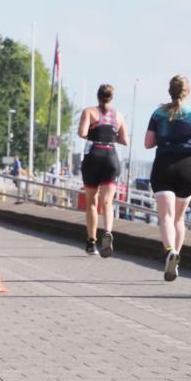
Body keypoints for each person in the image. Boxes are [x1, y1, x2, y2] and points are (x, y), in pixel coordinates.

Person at [144, 75, 191, 281]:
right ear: (187, 92)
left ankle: (170, 251)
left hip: (163, 164)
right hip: (186, 166)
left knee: (166, 217)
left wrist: (165, 137)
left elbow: (148, 143)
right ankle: (176, 259)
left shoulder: (158, 113)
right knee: (179, 218)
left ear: (169, 91)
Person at [78, 84, 129, 257]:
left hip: (94, 155)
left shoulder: (89, 112)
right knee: (107, 201)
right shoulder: (118, 115)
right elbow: (125, 140)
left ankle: (91, 242)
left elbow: (82, 132)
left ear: (97, 96)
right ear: (111, 97)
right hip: (111, 156)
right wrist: (111, 135)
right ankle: (107, 232)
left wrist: (95, 133)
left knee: (91, 201)